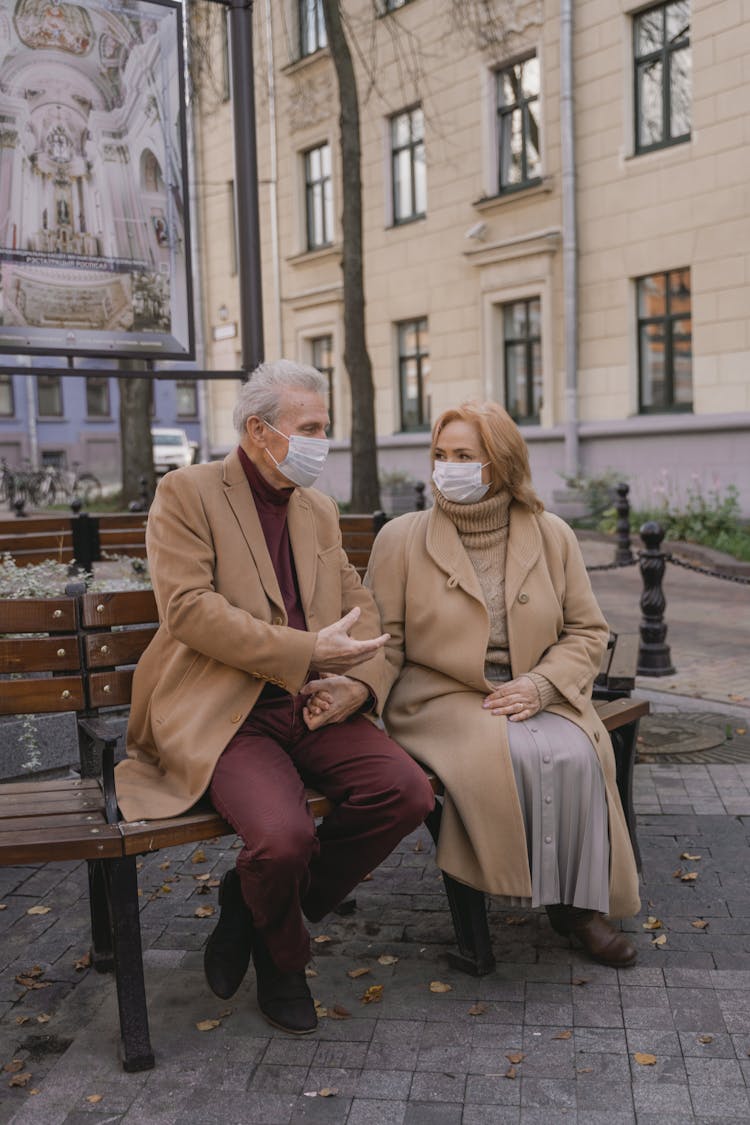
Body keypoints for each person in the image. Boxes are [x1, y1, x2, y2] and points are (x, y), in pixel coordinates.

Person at [115, 360, 435, 1034]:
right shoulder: (188, 492)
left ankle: (250, 904)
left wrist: (355, 684)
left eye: (326, 426)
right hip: (225, 711)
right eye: (311, 427)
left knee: (406, 793)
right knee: (283, 839)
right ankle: (283, 958)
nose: (324, 440)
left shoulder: (314, 508)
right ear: (260, 431)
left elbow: (361, 607)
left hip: (314, 703)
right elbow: (189, 611)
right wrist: (304, 651)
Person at [358, 401, 640, 967]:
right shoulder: (401, 537)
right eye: (440, 455)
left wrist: (542, 685)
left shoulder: (552, 534)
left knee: (578, 752)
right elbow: (382, 642)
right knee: (510, 748)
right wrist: (361, 698)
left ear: (501, 464)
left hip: (534, 687)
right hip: (440, 695)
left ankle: (578, 908)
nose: (447, 467)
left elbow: (587, 630)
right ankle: (513, 887)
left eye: (464, 455)